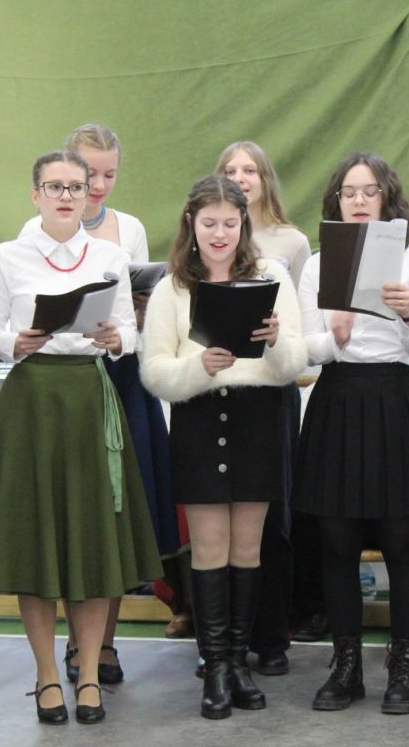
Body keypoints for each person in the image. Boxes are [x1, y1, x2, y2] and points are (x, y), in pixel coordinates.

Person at [0, 150, 162, 726]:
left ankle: (90, 674)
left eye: (76, 186)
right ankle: (47, 674)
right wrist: (15, 342)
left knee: (92, 539)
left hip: (88, 397)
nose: (67, 196)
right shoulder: (9, 255)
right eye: (55, 186)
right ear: (35, 194)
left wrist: (116, 338)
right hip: (32, 400)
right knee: (37, 540)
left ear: (87, 195)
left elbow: (130, 330)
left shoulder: (109, 256)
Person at [141, 174, 307, 720]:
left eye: (229, 224)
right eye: (209, 223)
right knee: (209, 549)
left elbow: (293, 365)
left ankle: (238, 661)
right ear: (191, 223)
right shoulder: (172, 287)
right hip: (199, 417)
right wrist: (200, 366)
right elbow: (154, 372)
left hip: (258, 419)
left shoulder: (271, 277)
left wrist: (275, 339)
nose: (219, 234)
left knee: (248, 550)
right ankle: (214, 666)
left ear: (244, 225)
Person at [293, 151, 409, 715]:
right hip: (337, 396)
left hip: (394, 397)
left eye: (369, 191)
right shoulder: (317, 265)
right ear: (336, 201)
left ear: (386, 199)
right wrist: (335, 334)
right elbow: (306, 349)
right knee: (336, 539)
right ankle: (346, 663)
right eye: (349, 192)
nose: (358, 200)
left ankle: (404, 662)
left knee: (403, 538)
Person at [51, 123, 183, 681]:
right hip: (68, 377)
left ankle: (103, 643)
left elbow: (135, 313)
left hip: (121, 376)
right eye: (89, 174)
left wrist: (140, 307)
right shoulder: (42, 228)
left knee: (117, 513)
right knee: (75, 511)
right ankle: (73, 641)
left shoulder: (129, 228)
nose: (99, 185)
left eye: (109, 174)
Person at [216, 140, 317, 670]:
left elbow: (298, 323)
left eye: (250, 169)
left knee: (272, 518)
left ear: (265, 178)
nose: (241, 177)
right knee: (219, 520)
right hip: (217, 388)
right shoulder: (207, 241)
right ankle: (222, 641)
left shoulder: (290, 242)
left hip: (273, 391)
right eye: (231, 170)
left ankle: (272, 636)